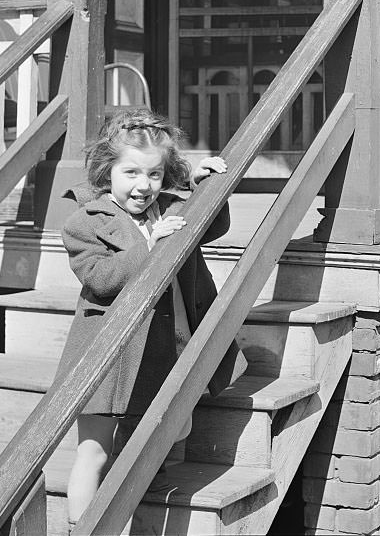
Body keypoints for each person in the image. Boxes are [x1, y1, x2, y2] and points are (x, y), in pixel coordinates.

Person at [55, 107, 243, 532]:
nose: (143, 186)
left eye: (155, 175)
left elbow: (212, 226)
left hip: (164, 347)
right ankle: (81, 529)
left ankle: (138, 500)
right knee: (93, 450)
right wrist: (149, 246)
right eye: (131, 173)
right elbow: (101, 280)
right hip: (106, 355)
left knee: (170, 433)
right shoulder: (84, 222)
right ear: (107, 172)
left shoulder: (168, 206)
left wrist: (204, 185)